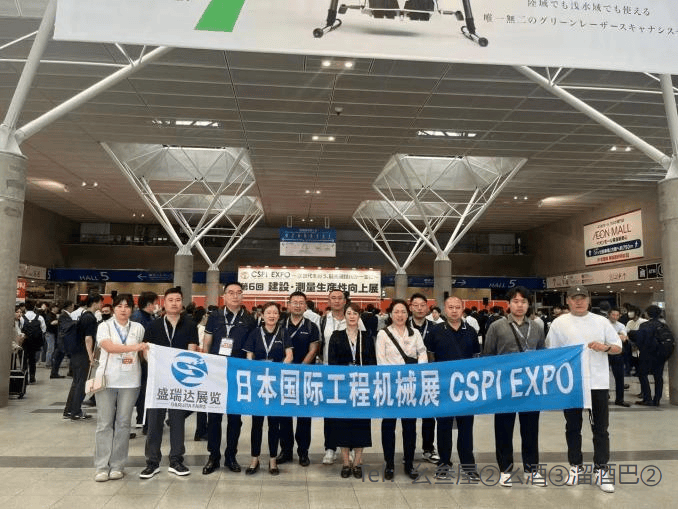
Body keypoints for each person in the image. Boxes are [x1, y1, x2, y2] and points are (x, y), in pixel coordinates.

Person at [546, 285, 622, 493]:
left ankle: (601, 469)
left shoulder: (601, 321)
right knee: (572, 427)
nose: (578, 302)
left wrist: (604, 347)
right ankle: (575, 466)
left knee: (601, 428)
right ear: (568, 301)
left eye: (582, 298)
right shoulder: (559, 323)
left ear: (589, 300)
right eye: (574, 298)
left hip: (598, 383)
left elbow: (618, 347)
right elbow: (551, 353)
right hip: (572, 383)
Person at [484, 286, 546, 487]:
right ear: (508, 304)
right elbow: (488, 356)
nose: (520, 305)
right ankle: (505, 469)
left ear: (529, 305)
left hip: (530, 387)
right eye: (516, 301)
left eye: (524, 302)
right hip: (505, 387)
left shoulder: (537, 327)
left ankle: (531, 469)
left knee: (531, 430)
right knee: (503, 429)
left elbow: (542, 354)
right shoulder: (497, 326)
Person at [140, 287, 199, 479]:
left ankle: (176, 460)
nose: (174, 303)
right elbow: (146, 350)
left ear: (182, 303)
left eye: (178, 300)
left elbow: (191, 351)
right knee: (154, 421)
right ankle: (152, 462)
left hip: (179, 380)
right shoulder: (154, 325)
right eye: (170, 300)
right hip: (157, 379)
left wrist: (179, 371)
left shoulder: (190, 325)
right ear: (164, 303)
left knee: (177, 420)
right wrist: (157, 366)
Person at [202, 282, 256, 475]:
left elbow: (251, 349)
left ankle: (231, 456)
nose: (235, 296)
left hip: (237, 374)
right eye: (231, 293)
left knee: (235, 418)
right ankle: (213, 456)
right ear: (224, 296)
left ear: (243, 296)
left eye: (239, 293)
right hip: (216, 372)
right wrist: (206, 367)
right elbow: (207, 344)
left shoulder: (249, 319)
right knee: (214, 417)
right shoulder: (215, 317)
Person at [93, 293, 149, 482]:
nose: (123, 310)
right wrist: (135, 348)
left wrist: (148, 352)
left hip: (130, 381)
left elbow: (143, 354)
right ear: (113, 309)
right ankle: (101, 467)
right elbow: (109, 347)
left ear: (132, 309)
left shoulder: (138, 328)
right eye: (119, 306)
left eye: (127, 306)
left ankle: (117, 465)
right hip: (107, 380)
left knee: (124, 424)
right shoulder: (104, 326)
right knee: (104, 424)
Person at [426, 295, 480, 481]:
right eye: (451, 307)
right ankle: (444, 464)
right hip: (443, 388)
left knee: (466, 428)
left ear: (462, 309)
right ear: (445, 309)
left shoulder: (470, 331)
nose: (454, 310)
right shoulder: (435, 331)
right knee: (443, 427)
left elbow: (476, 359)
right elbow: (430, 359)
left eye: (458, 307)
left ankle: (468, 465)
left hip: (466, 389)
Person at [375, 299, 428, 480]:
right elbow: (381, 360)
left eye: (403, 312)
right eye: (396, 312)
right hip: (390, 386)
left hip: (410, 386)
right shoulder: (383, 334)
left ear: (408, 314)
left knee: (410, 427)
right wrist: (394, 377)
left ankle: (409, 463)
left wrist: (417, 371)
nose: (400, 315)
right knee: (388, 426)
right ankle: (389, 464)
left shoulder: (415, 333)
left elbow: (422, 353)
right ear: (390, 314)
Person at [243, 302, 293, 476]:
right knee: (256, 424)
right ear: (262, 315)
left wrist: (277, 370)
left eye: (275, 313)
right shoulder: (255, 333)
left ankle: (273, 460)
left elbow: (289, 355)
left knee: (274, 424)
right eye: (268, 313)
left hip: (275, 384)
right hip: (258, 383)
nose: (272, 315)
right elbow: (249, 355)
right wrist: (255, 371)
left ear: (279, 316)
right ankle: (254, 459)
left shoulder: (283, 332)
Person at [328, 302, 375, 479]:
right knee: (343, 424)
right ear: (344, 316)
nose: (352, 316)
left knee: (361, 424)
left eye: (355, 313)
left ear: (359, 316)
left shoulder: (367, 336)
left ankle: (357, 462)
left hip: (362, 387)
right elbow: (332, 361)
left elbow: (372, 361)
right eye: (349, 313)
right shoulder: (336, 336)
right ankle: (346, 462)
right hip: (343, 387)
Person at [318, 289, 365, 465]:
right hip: (329, 372)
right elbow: (319, 345)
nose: (337, 301)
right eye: (333, 298)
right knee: (331, 412)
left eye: (340, 298)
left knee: (351, 412)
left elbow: (362, 343)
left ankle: (350, 447)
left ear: (345, 301)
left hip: (353, 375)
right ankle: (330, 448)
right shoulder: (323, 320)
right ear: (328, 301)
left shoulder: (354, 318)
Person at [277, 291, 320, 467]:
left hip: (304, 376)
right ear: (288, 305)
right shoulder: (280, 325)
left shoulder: (311, 326)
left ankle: (303, 452)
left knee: (304, 416)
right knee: (284, 416)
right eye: (294, 302)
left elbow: (314, 349)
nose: (297, 305)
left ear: (305, 306)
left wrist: (300, 368)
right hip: (283, 376)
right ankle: (286, 451)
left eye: (301, 303)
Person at [408, 293, 438, 464]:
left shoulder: (436, 328)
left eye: (422, 305)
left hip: (429, 377)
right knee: (409, 417)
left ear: (427, 307)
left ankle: (428, 448)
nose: (419, 308)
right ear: (410, 307)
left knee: (429, 416)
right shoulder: (403, 326)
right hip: (409, 378)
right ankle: (409, 450)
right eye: (416, 305)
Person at [65, 294, 101, 420]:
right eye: (100, 302)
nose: (101, 305)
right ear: (95, 303)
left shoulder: (84, 315)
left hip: (76, 353)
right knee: (81, 384)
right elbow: (88, 338)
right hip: (83, 354)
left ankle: (69, 410)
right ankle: (75, 411)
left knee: (76, 383)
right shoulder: (90, 318)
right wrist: (91, 356)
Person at [630, 305, 673, 407]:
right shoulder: (663, 325)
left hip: (647, 354)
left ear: (647, 314)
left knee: (642, 375)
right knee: (658, 377)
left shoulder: (645, 325)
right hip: (661, 354)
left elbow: (640, 340)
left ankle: (647, 398)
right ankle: (657, 400)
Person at [130, 291, 159, 432]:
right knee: (144, 390)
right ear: (149, 304)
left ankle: (144, 419)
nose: (157, 306)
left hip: (145, 359)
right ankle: (142, 419)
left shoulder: (147, 317)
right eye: (155, 303)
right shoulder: (138, 319)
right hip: (141, 360)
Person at [607, 307, 630, 407]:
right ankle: (604, 396)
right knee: (603, 376)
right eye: (613, 315)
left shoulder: (621, 325)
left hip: (617, 353)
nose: (615, 317)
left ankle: (620, 399)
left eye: (617, 315)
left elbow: (624, 338)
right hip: (605, 352)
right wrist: (617, 336)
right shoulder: (604, 323)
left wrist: (613, 337)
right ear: (609, 314)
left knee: (619, 377)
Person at [21, 301, 46, 384]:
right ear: (34, 307)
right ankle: (32, 377)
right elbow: (44, 330)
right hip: (35, 342)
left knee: (24, 359)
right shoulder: (40, 317)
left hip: (24, 342)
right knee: (32, 359)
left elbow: (20, 329)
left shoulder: (22, 318)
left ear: (25, 308)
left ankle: (24, 377)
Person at [52, 301, 74, 379]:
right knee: (72, 356)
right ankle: (71, 372)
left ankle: (54, 373)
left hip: (62, 339)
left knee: (58, 357)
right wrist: (76, 323)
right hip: (64, 340)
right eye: (72, 306)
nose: (73, 308)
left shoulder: (64, 315)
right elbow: (67, 326)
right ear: (69, 306)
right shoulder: (64, 315)